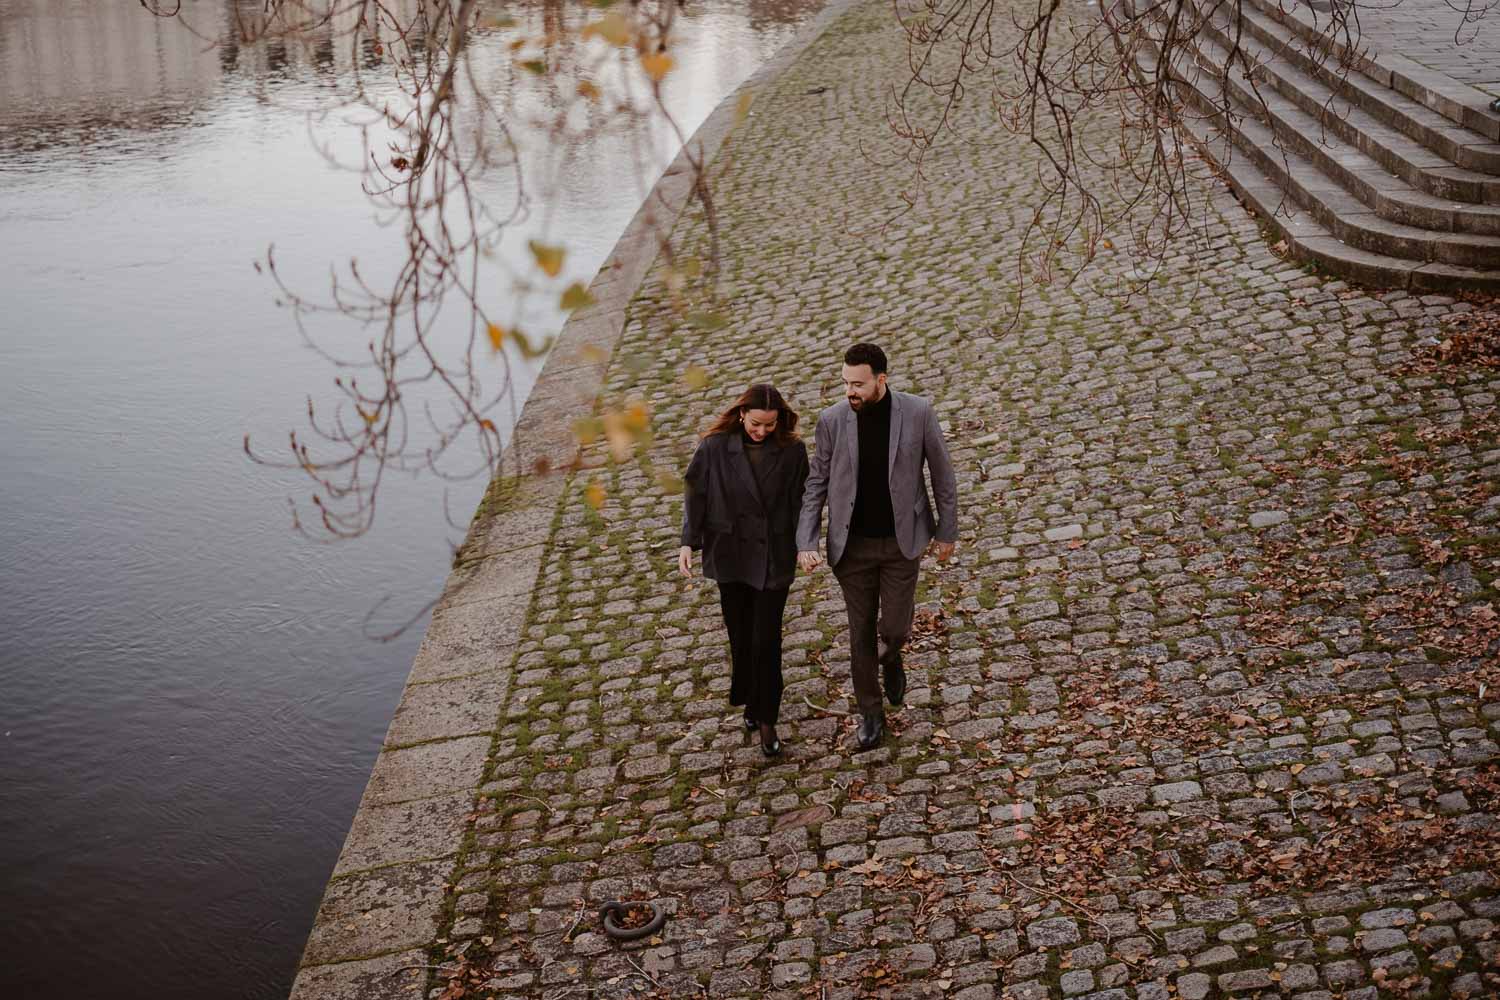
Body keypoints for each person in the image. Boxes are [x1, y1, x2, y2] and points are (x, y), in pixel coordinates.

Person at [797, 343, 958, 751]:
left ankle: (894, 656)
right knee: (860, 633)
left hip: (901, 543)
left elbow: (942, 474)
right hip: (851, 550)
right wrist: (807, 540)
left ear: (881, 379)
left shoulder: (918, 412)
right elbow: (816, 483)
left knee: (896, 629)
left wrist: (946, 532)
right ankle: (870, 712)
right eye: (846, 383)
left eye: (858, 384)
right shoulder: (832, 420)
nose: (850, 391)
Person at [680, 384, 809, 757]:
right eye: (756, 424)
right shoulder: (715, 447)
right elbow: (695, 493)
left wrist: (806, 546)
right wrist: (688, 541)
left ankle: (767, 718)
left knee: (766, 641)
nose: (762, 431)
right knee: (740, 637)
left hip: (774, 556)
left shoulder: (792, 451)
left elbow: (803, 500)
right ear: (741, 415)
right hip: (730, 554)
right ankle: (752, 699)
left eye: (770, 425)